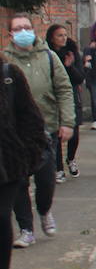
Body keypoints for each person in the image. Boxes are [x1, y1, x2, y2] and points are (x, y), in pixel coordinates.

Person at [6, 14, 74, 249]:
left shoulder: (48, 56)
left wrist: (68, 122)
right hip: (13, 134)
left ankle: (44, 209)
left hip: (45, 129)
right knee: (18, 182)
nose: (23, 31)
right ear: (10, 34)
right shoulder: (5, 61)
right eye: (18, 28)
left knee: (46, 179)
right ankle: (26, 229)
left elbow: (64, 90)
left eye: (27, 27)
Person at [0, 47, 53, 269]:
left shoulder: (9, 75)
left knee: (0, 218)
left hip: (6, 164)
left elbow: (30, 118)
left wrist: (26, 156)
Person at [45, 24, 84, 181]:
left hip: (71, 96)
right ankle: (58, 168)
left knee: (73, 133)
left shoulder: (72, 52)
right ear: (51, 37)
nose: (63, 38)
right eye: (59, 35)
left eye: (65, 35)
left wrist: (70, 66)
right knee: (56, 134)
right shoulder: (47, 54)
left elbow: (80, 77)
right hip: (53, 98)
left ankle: (71, 159)